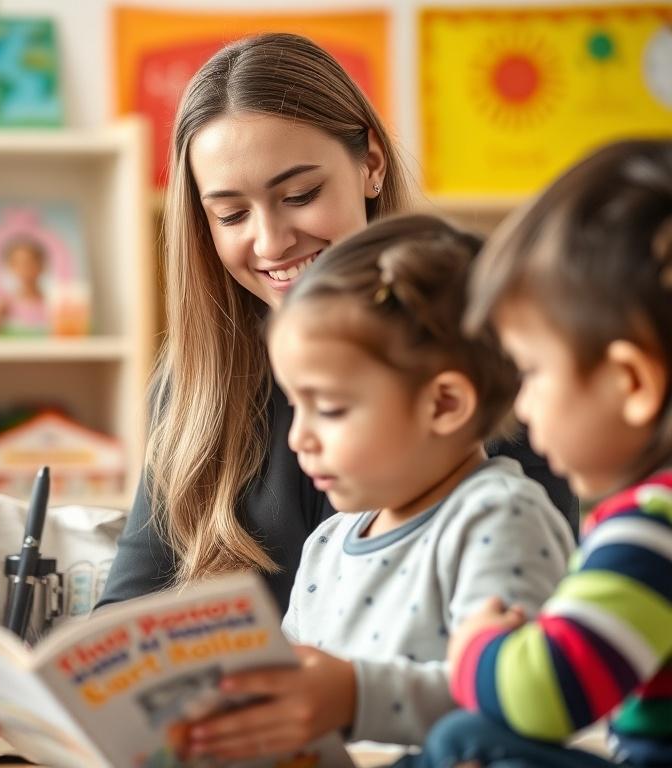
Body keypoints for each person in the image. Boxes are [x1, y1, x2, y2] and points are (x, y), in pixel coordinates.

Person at [97, 32, 576, 615]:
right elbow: (129, 611)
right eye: (232, 214)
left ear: (370, 164)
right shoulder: (194, 384)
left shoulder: (484, 352)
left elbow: (524, 644)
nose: (271, 241)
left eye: (300, 195)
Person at [176, 215, 574, 759]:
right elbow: (300, 695)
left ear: (444, 404)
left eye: (332, 408)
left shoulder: (499, 520)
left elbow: (519, 709)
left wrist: (356, 696)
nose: (299, 439)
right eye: (298, 406)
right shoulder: (329, 542)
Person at [400, 140, 672, 768]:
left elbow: (550, 690)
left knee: (460, 740)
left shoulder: (650, 528)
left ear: (631, 384)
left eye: (532, 371)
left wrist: (476, 649)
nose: (522, 407)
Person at [0, 236, 50, 334]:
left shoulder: (52, 302)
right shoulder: (5, 302)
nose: (25, 269)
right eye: (18, 264)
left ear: (41, 265)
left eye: (30, 263)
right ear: (11, 267)